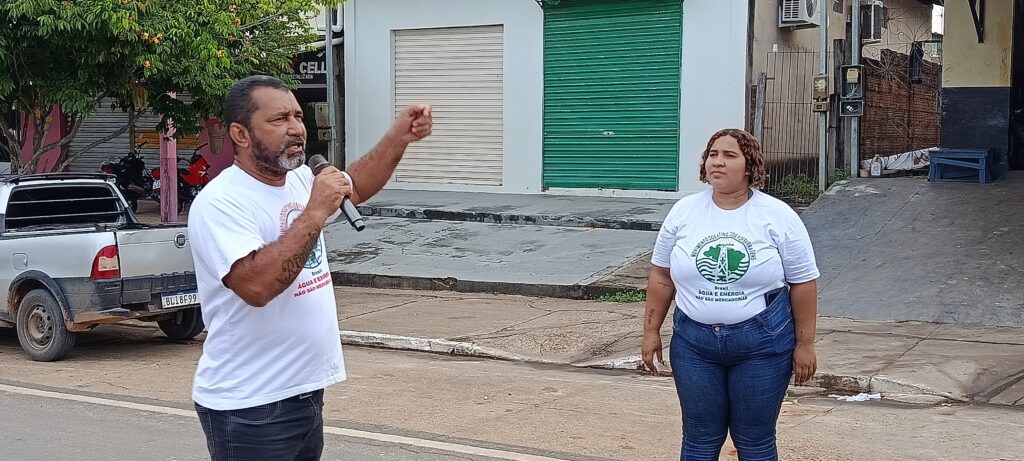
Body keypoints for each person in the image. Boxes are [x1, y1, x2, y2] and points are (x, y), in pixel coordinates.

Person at [186, 75, 432, 461]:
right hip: (250, 407)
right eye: (279, 119)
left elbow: (355, 186)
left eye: (298, 116)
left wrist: (398, 137)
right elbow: (256, 286)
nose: (296, 128)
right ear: (240, 134)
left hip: (304, 394)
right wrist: (315, 210)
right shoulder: (221, 202)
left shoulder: (301, 178)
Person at [641, 128, 819, 461]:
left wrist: (805, 344)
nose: (717, 162)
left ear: (750, 166)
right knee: (699, 439)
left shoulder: (778, 215)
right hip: (694, 346)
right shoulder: (684, 211)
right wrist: (651, 331)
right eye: (713, 155)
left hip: (763, 347)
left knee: (754, 441)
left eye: (729, 155)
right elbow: (661, 275)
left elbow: (803, 282)